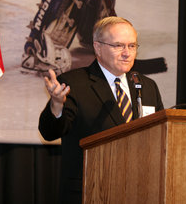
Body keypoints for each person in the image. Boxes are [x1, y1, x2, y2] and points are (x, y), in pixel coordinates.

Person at [38, 16, 164, 203]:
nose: (126, 53)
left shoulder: (146, 86)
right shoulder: (74, 83)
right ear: (98, 47)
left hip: (140, 191)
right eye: (118, 46)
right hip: (91, 191)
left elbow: (160, 137)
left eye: (132, 46)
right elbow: (50, 132)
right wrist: (57, 104)